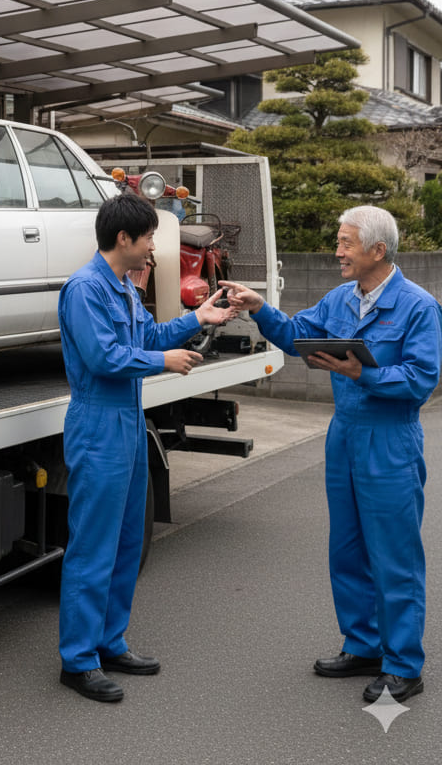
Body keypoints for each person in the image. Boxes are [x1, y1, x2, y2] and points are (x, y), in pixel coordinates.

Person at [221, 205, 442, 704]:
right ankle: (363, 644)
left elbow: (420, 382)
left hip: (390, 438)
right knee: (346, 548)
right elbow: (299, 336)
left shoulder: (418, 307)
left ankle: (404, 663)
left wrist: (362, 374)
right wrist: (260, 308)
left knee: (394, 555)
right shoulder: (342, 298)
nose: (336, 252)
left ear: (377, 251)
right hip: (344, 435)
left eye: (346, 243)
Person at [58, 193, 235, 702]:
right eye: (151, 236)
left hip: (129, 422)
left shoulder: (124, 288)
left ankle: (109, 641)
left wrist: (197, 317)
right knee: (93, 545)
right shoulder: (85, 289)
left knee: (126, 541)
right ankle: (77, 660)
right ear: (123, 239)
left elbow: (150, 335)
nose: (154, 245)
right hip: (97, 423)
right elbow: (103, 357)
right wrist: (165, 364)